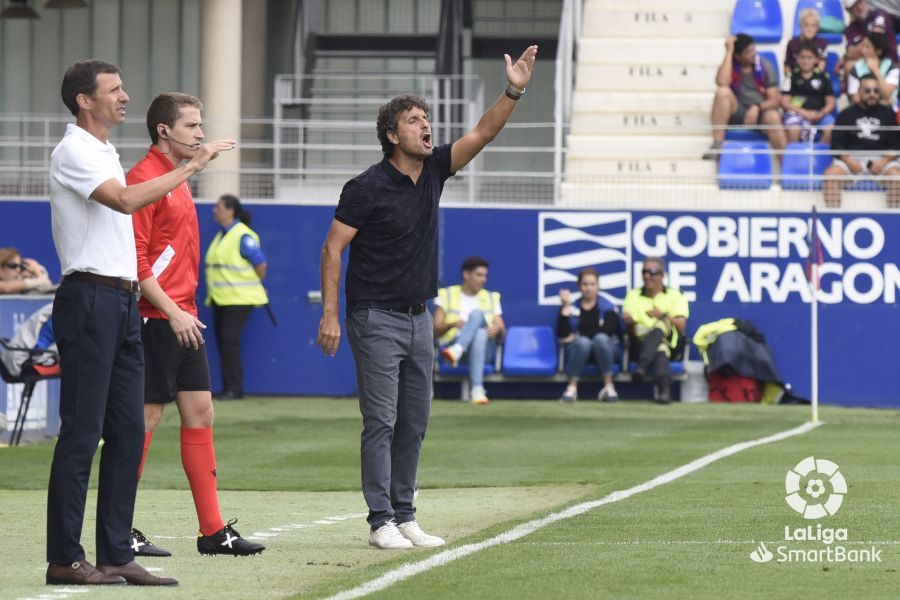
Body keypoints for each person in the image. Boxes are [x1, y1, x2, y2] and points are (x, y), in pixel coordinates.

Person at [317, 45, 538, 550]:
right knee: (381, 421)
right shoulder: (366, 187)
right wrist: (330, 314)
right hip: (374, 317)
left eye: (427, 119)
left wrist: (514, 90)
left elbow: (483, 132)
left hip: (421, 318)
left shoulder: (436, 168)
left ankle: (405, 515)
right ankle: (380, 522)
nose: (426, 126)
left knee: (414, 422)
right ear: (392, 135)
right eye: (414, 121)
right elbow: (332, 249)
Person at [46, 59, 232, 587]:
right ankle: (64, 557)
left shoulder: (105, 150)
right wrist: (193, 166)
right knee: (82, 433)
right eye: (114, 89)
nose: (125, 96)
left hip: (124, 302)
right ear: (85, 101)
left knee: (128, 431)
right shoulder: (73, 150)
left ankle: (115, 553)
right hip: (90, 298)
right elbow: (125, 200)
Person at [127, 93, 265, 558]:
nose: (201, 134)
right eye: (191, 125)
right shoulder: (143, 179)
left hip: (184, 317)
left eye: (201, 125)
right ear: (164, 131)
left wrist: (182, 311)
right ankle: (118, 528)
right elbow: (136, 262)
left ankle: (212, 532)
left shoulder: (179, 180)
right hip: (156, 318)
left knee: (202, 412)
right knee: (145, 418)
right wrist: (171, 310)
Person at [204, 194, 268, 400]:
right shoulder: (222, 235)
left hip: (239, 298)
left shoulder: (242, 235)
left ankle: (234, 388)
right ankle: (229, 387)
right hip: (221, 298)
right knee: (224, 342)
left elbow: (260, 264)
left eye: (218, 207)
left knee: (229, 340)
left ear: (230, 210)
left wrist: (258, 283)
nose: (214, 210)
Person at [434, 256, 506, 405]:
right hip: (448, 349)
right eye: (479, 275)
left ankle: (457, 349)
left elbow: (502, 329)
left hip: (481, 352)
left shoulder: (491, 297)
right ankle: (477, 390)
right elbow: (434, 330)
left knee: (478, 318)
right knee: (480, 333)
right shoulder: (446, 294)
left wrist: (497, 329)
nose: (484, 279)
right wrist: (451, 324)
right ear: (466, 274)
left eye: (485, 275)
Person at [703, 33, 786, 160]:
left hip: (761, 113)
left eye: (753, 49)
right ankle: (717, 145)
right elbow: (722, 82)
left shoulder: (765, 65)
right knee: (722, 92)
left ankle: (786, 164)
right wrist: (729, 52)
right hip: (737, 111)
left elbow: (775, 101)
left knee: (773, 116)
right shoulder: (730, 65)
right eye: (748, 52)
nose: (753, 54)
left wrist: (757, 107)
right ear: (738, 56)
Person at [823, 73, 900, 207]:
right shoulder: (846, 114)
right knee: (830, 176)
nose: (872, 94)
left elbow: (897, 144)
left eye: (876, 91)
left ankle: (894, 218)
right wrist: (849, 161)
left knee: (897, 178)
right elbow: (836, 144)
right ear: (859, 91)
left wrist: (883, 161)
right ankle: (833, 216)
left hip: (881, 160)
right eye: (867, 90)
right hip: (851, 160)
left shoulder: (889, 114)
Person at [621, 258, 689, 405]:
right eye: (644, 272)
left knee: (661, 326)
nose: (647, 276)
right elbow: (631, 331)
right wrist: (630, 323)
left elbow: (681, 326)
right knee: (660, 348)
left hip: (671, 344)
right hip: (639, 344)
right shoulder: (633, 295)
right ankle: (664, 391)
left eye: (652, 272)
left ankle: (642, 367)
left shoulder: (676, 295)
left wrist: (663, 315)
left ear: (661, 276)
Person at [556, 268, 621, 404]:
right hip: (579, 351)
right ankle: (572, 388)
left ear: (598, 286)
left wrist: (576, 335)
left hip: (605, 350)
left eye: (592, 284)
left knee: (600, 339)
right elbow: (562, 334)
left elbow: (609, 331)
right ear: (579, 286)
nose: (589, 288)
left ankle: (609, 387)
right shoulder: (572, 306)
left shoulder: (608, 306)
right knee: (583, 342)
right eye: (585, 284)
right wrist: (566, 307)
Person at [781, 40, 836, 143]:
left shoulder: (824, 77)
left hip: (819, 115)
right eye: (802, 57)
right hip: (796, 114)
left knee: (832, 129)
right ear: (796, 58)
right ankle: (795, 153)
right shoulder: (790, 78)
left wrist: (821, 113)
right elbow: (785, 102)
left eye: (809, 57)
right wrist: (804, 113)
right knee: (793, 130)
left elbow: (831, 102)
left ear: (816, 59)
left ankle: (818, 153)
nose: (805, 61)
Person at [847, 31, 899, 106]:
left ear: (878, 51)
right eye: (863, 46)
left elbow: (886, 95)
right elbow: (856, 99)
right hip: (862, 110)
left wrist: (876, 71)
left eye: (867, 47)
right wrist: (881, 103)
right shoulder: (856, 68)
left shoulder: (892, 68)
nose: (863, 50)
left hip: (887, 110)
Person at [783, 8, 828, 75]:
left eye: (813, 26)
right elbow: (787, 65)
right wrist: (789, 78)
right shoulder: (792, 43)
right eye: (806, 25)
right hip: (795, 78)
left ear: (818, 28)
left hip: (816, 78)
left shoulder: (822, 43)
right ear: (800, 26)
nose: (810, 29)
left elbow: (822, 65)